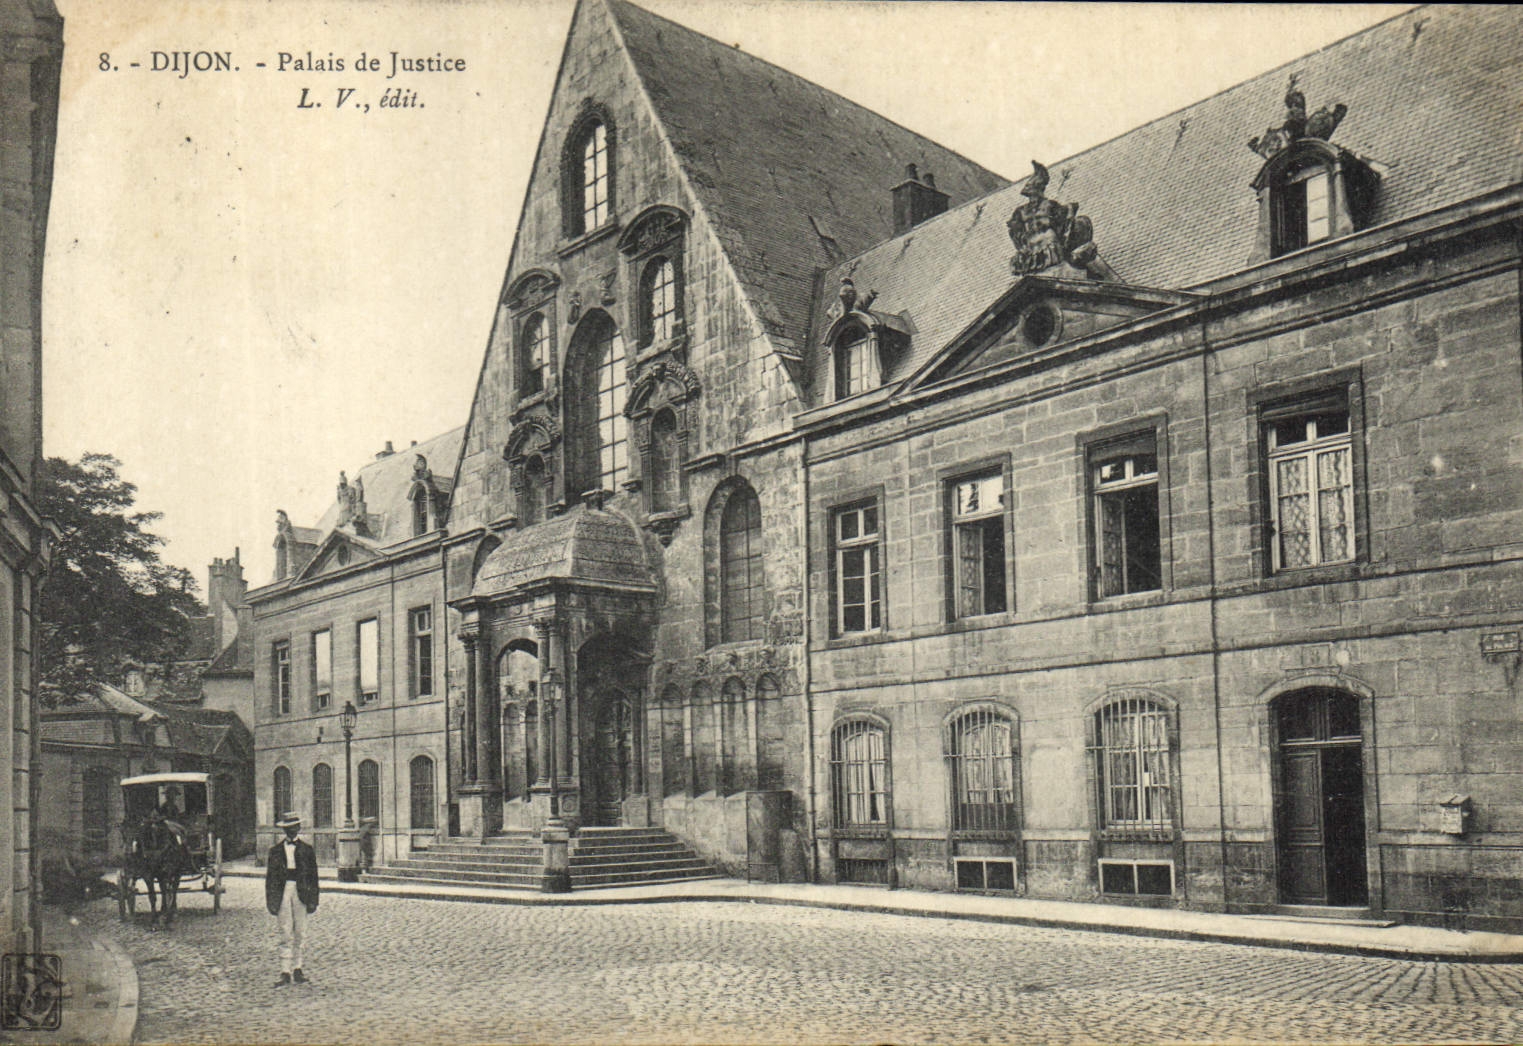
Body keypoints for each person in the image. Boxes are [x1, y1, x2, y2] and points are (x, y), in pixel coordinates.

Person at [264, 812, 319, 987]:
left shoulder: (307, 850)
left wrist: (313, 900)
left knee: (300, 931)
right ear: (284, 830)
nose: (291, 831)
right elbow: (270, 879)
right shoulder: (275, 852)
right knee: (285, 931)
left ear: (299, 828)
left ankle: (298, 968)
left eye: (294, 827)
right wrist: (272, 901)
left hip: (301, 890)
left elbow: (314, 877)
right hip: (283, 891)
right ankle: (285, 971)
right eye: (288, 828)